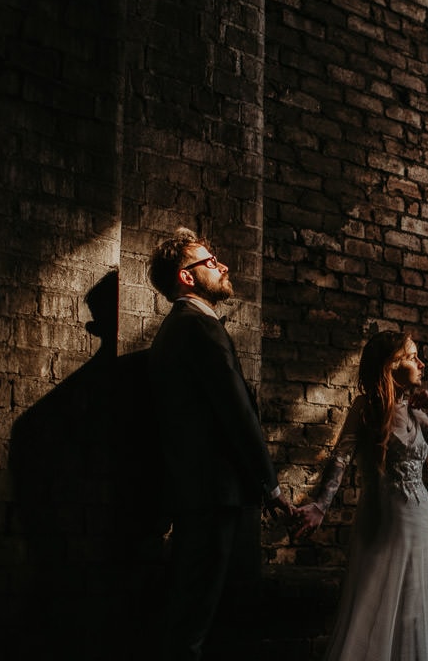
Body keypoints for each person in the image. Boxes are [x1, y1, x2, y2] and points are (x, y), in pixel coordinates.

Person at [147, 226, 293, 661]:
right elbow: (237, 415)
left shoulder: (179, 329)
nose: (223, 265)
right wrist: (272, 487)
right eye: (210, 261)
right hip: (217, 500)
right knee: (203, 625)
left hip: (202, 500)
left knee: (199, 620)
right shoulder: (197, 328)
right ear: (187, 277)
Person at [292, 330, 428, 661]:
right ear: (391, 364)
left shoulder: (417, 411)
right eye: (414, 356)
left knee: (414, 606)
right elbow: (341, 459)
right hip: (384, 516)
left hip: (419, 518)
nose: (422, 363)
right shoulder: (366, 407)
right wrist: (321, 507)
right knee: (375, 602)